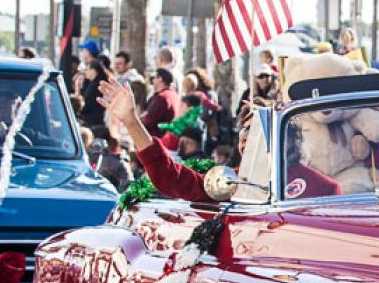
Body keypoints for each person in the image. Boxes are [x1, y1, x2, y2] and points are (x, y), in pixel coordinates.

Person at [97, 78, 338, 202]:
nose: (247, 139)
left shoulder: (323, 188)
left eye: (257, 131)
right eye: (244, 132)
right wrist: (131, 122)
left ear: (286, 139)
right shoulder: (228, 181)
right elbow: (170, 177)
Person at [142, 68, 182, 136]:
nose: (153, 81)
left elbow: (148, 121)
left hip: (157, 139)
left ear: (160, 79)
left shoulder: (161, 98)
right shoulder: (174, 95)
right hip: (169, 137)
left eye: (154, 78)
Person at [77, 59, 112, 135]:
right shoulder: (94, 83)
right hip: (96, 119)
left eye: (87, 69)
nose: (86, 72)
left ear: (93, 71)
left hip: (94, 121)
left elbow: (87, 102)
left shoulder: (96, 85)